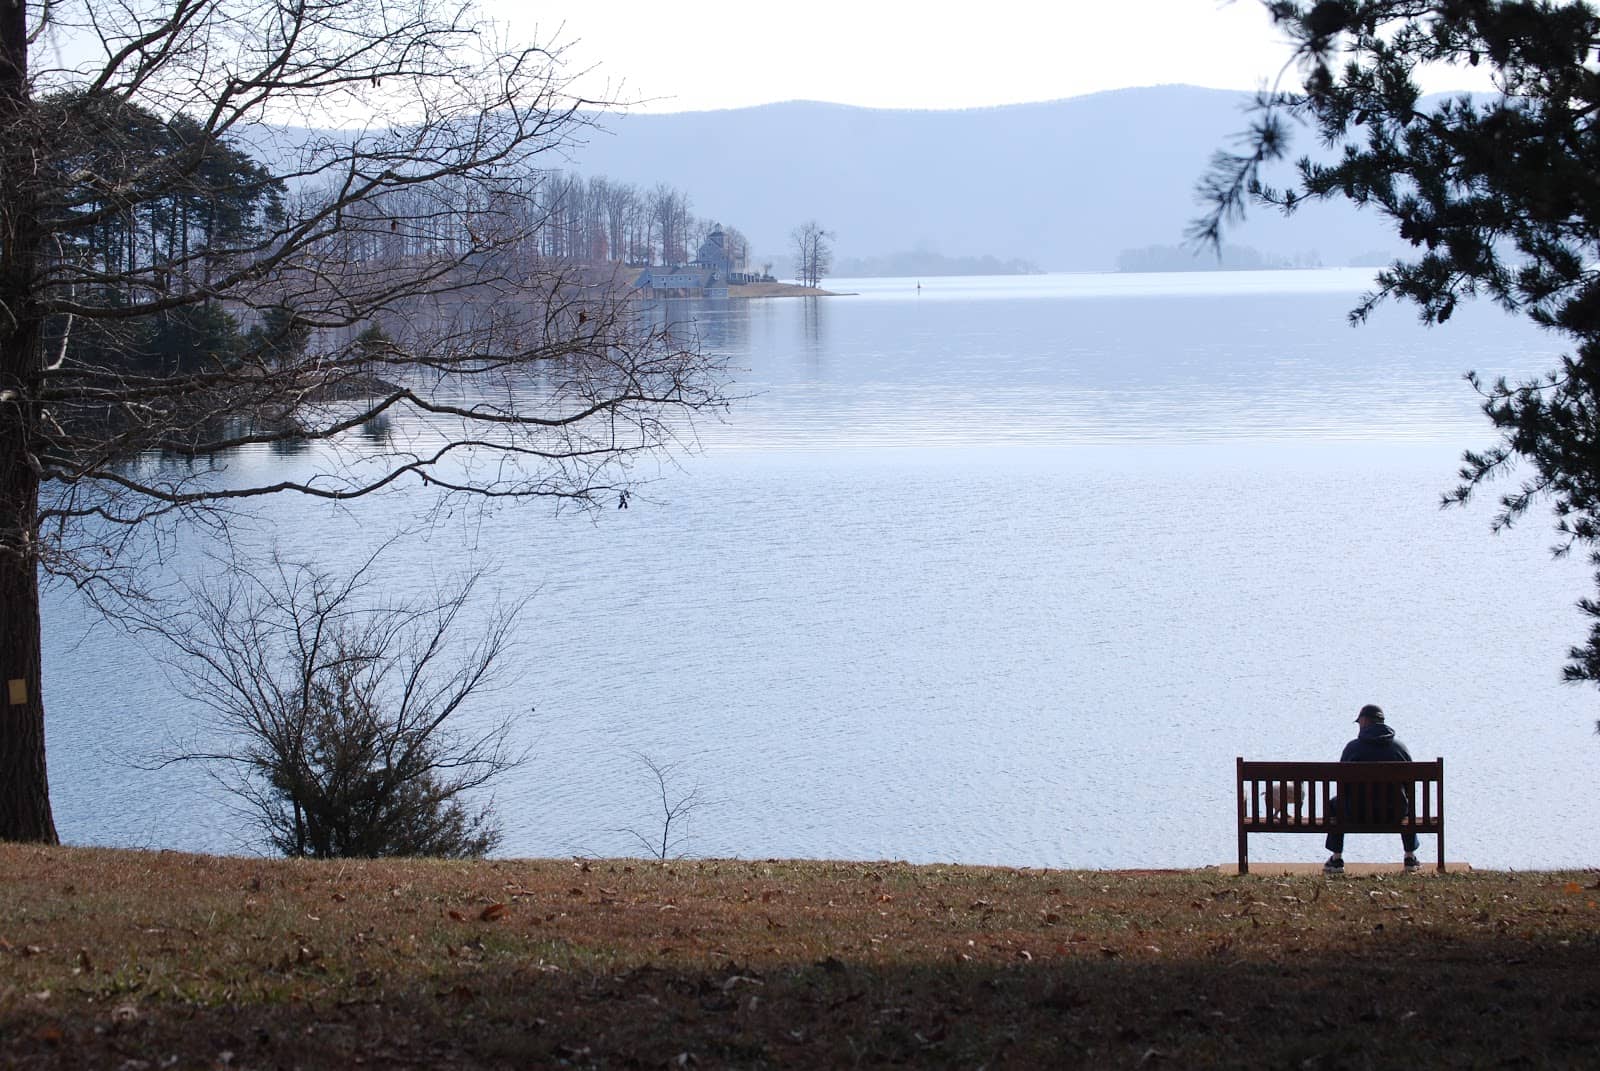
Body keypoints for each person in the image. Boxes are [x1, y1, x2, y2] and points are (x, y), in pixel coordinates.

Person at [1323, 704, 1421, 874]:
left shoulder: (1353, 748)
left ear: (1365, 721)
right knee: (1407, 803)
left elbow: (1341, 786)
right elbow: (1410, 787)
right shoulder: (1399, 748)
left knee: (1334, 804)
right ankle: (1410, 857)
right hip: (1393, 813)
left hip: (1356, 813)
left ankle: (1336, 859)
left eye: (1359, 722)